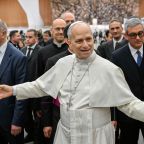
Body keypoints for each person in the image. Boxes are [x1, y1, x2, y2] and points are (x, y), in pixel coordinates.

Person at [1, 21, 144, 144]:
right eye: (79, 41)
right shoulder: (63, 63)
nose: (86, 45)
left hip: (96, 136)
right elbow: (40, 86)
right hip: (66, 134)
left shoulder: (109, 69)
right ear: (69, 42)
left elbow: (128, 103)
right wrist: (13, 90)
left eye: (89, 39)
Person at [111, 18, 144, 144]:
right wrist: (113, 116)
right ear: (126, 36)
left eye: (140, 33)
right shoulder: (117, 56)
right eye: (133, 35)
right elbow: (114, 87)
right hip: (128, 115)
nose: (137, 38)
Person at [42, 24, 73, 144]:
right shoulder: (54, 61)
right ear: (68, 40)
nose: (84, 44)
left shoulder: (96, 58)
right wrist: (46, 122)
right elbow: (46, 92)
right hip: (59, 116)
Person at [0, 20, 27, 144]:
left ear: (2, 33)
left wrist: (17, 121)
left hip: (9, 120)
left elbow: (22, 92)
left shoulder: (18, 57)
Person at [21, 29, 42, 143]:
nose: (27, 39)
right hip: (24, 87)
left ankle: (37, 136)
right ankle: (30, 133)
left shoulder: (41, 51)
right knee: (26, 114)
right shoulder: (22, 50)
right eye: (26, 37)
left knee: (37, 114)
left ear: (36, 38)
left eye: (30, 37)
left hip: (35, 88)